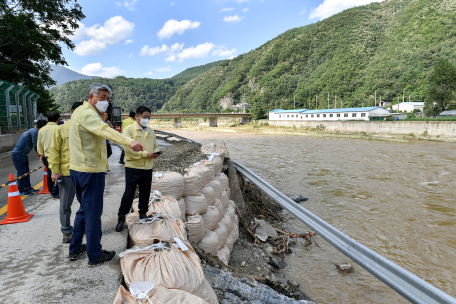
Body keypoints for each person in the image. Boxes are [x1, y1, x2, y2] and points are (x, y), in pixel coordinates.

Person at [68, 82, 146, 267]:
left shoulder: (82, 113)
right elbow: (104, 130)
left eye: (107, 99)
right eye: (102, 97)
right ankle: (95, 254)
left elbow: (98, 128)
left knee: (83, 210)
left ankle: (75, 248)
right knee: (93, 213)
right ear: (91, 97)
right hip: (90, 171)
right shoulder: (87, 113)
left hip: (78, 169)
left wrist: (101, 117)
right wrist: (129, 142)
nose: (105, 101)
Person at [116, 106, 159, 232]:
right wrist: (146, 154)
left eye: (149, 117)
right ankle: (121, 216)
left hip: (147, 167)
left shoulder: (151, 131)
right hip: (133, 167)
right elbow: (128, 150)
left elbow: (155, 146)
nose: (147, 119)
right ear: (137, 117)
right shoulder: (129, 130)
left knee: (145, 192)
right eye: (144, 117)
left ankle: (143, 213)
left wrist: (156, 153)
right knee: (129, 193)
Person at [48, 102, 83, 244]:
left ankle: (83, 225)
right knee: (65, 204)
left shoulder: (87, 129)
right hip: (67, 172)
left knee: (86, 203)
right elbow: (54, 151)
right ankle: (67, 230)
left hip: (84, 172)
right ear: (73, 112)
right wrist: (55, 171)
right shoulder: (60, 130)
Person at [11, 120, 48, 195]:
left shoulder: (35, 131)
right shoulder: (34, 131)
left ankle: (28, 188)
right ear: (43, 126)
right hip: (18, 154)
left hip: (23, 154)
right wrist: (41, 156)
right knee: (22, 172)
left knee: (27, 172)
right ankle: (21, 190)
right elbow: (35, 144)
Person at [37, 111, 61, 198]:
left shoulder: (42, 130)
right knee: (57, 172)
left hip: (46, 155)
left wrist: (41, 154)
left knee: (49, 173)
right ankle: (56, 191)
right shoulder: (59, 128)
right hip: (57, 155)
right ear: (58, 120)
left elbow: (39, 143)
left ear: (47, 119)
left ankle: (50, 190)